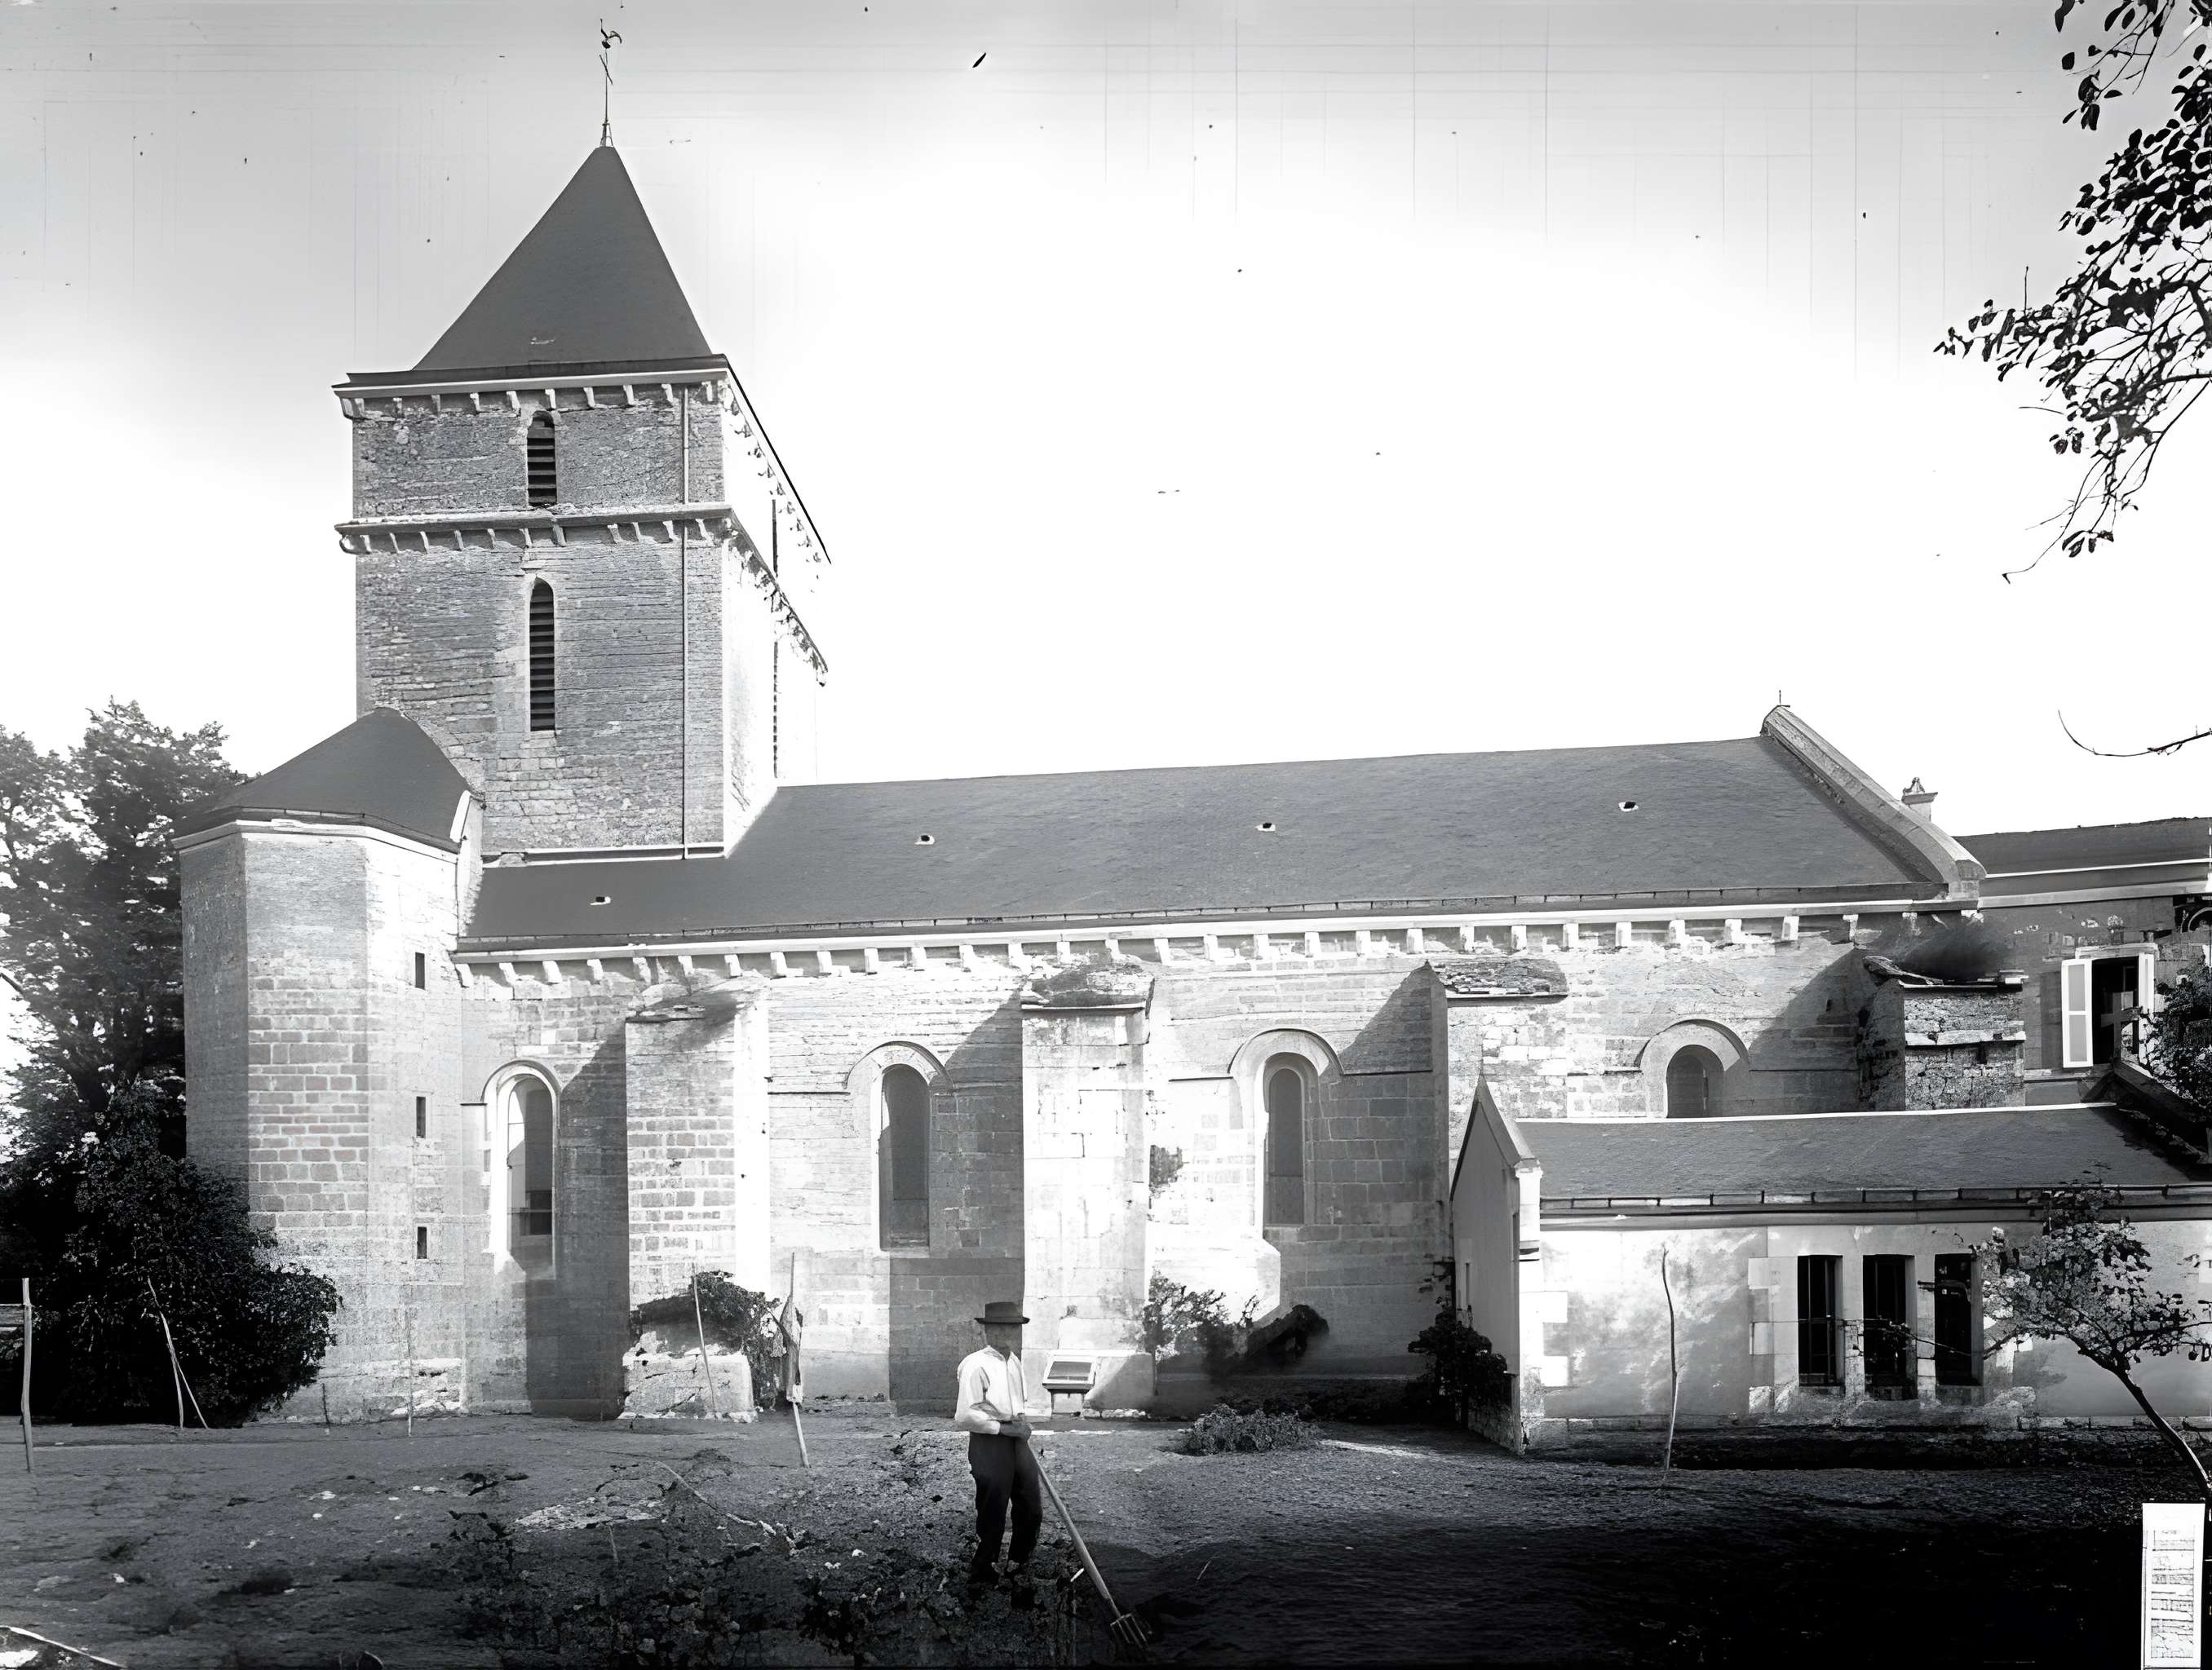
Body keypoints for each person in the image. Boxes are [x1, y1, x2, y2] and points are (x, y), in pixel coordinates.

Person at [953, 1299, 1040, 1588]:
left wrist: (1021, 1424)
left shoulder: (1014, 1362)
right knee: (994, 1508)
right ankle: (983, 1571)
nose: (1005, 1334)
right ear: (986, 1331)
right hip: (989, 1444)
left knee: (1030, 1506)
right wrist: (1004, 1429)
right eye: (998, 1328)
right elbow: (964, 1417)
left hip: (1016, 1440)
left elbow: (1018, 1403)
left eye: (1011, 1328)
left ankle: (1017, 1564)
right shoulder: (975, 1364)